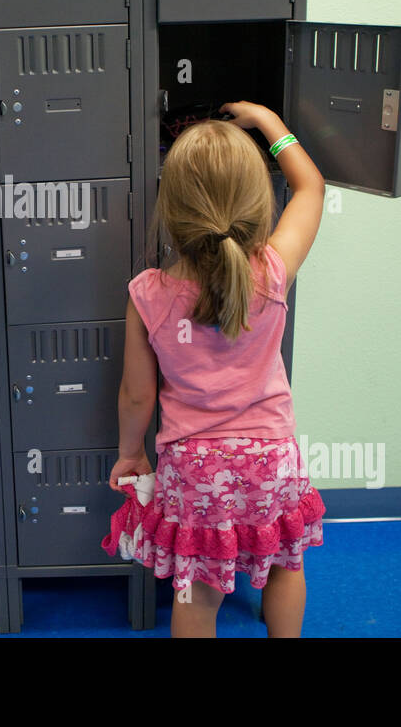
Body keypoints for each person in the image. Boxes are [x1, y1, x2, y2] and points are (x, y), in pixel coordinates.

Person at [105, 101, 327, 638]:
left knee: (198, 591)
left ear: (171, 208)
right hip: (270, 457)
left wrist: (131, 453)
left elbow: (137, 395)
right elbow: (311, 188)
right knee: (284, 564)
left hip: (194, 467)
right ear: (257, 202)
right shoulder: (273, 272)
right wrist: (268, 123)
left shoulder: (148, 294)